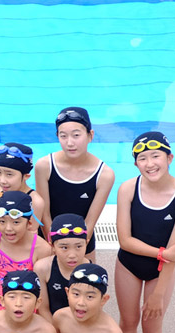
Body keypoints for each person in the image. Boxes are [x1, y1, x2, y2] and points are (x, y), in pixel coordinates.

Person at [115, 131, 175, 333]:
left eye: (156, 156)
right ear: (135, 163)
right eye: (142, 158)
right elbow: (124, 240)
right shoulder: (128, 189)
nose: (150, 163)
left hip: (161, 271)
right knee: (128, 322)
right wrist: (161, 253)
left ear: (170, 158)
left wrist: (158, 293)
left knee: (152, 326)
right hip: (128, 264)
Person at [34, 106, 115, 260]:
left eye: (76, 135)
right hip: (48, 238)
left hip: (82, 239)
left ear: (90, 135)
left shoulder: (104, 175)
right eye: (63, 136)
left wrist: (76, 249)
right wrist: (54, 244)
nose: (70, 143)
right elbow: (44, 214)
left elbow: (90, 222)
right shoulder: (44, 166)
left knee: (87, 275)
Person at [0, 190, 51, 315]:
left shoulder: (41, 249)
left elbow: (40, 292)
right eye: (2, 221)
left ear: (29, 223)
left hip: (24, 314)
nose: (8, 228)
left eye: (16, 222)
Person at [33, 214, 90, 320]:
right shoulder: (42, 268)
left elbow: (92, 312)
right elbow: (43, 309)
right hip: (51, 324)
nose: (72, 255)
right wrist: (55, 329)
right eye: (64, 247)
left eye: (78, 246)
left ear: (86, 243)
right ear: (52, 246)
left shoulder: (91, 272)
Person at [0, 142, 46, 230]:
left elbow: (30, 234)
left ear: (26, 176)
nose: (2, 180)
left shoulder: (35, 201)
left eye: (9, 174)